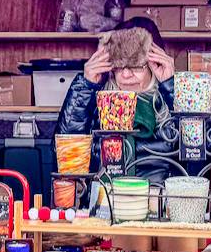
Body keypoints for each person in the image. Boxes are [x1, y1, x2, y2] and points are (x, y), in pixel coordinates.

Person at [56, 17, 181, 181]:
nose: (126, 74)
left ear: (155, 64)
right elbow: (65, 153)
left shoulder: (169, 104)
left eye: (136, 66)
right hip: (105, 196)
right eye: (119, 66)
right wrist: (85, 87)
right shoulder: (97, 103)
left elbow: (204, 147)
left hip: (160, 196)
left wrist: (171, 86)